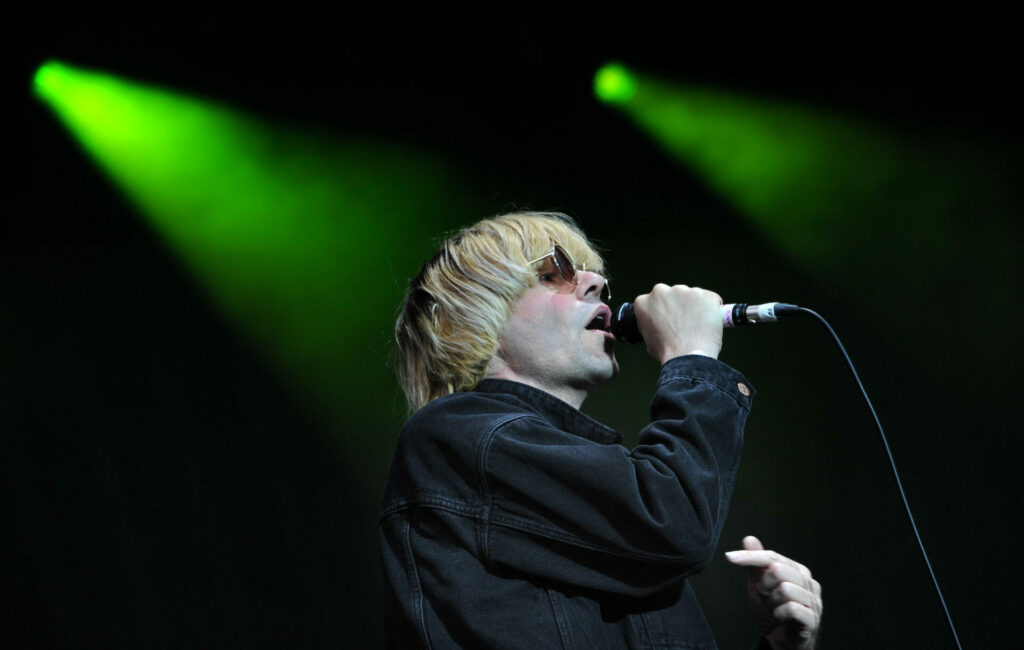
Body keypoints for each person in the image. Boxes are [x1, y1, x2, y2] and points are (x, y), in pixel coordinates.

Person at [380, 212, 822, 649]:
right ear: (471, 319)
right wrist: (692, 357)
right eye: (555, 271)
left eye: (594, 274)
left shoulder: (602, 495)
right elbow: (670, 524)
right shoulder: (453, 437)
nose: (593, 282)